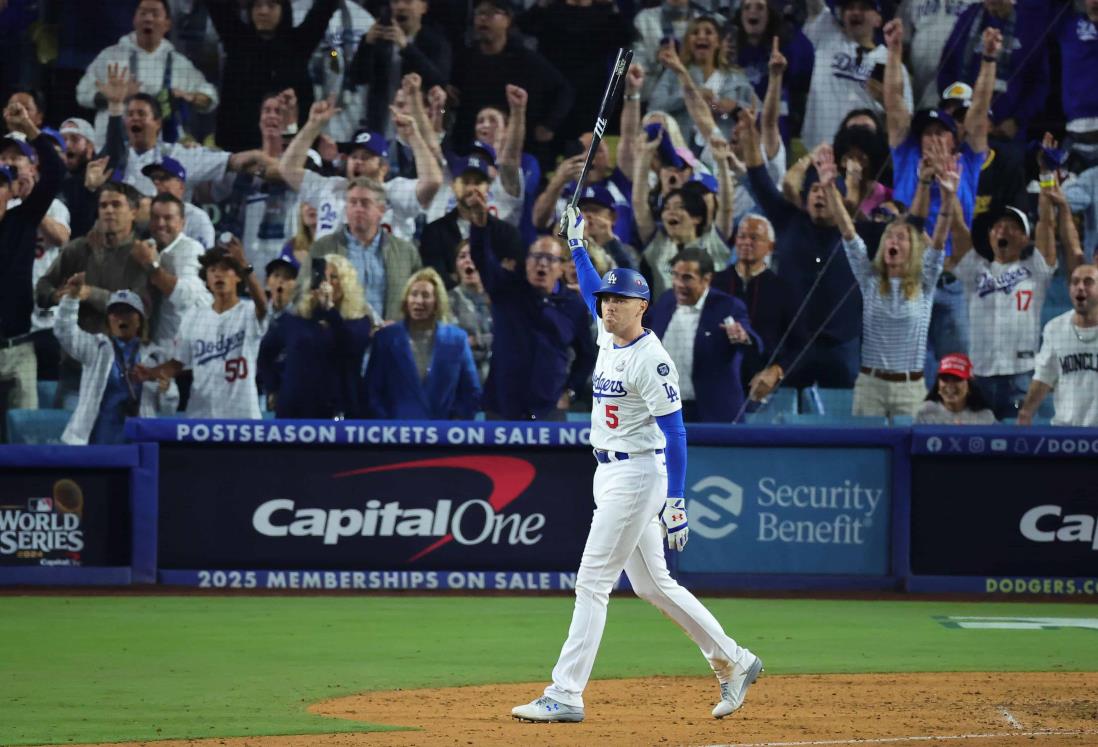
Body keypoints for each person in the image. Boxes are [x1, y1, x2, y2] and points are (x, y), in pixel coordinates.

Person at [510, 205, 762, 724]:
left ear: (642, 306)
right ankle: (733, 660)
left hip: (639, 474)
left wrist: (677, 501)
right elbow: (584, 287)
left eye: (619, 300)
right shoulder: (608, 332)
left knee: (592, 582)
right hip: (610, 472)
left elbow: (676, 433)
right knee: (652, 584)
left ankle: (565, 693)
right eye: (606, 300)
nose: (608, 307)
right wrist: (578, 244)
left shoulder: (653, 359)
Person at [822, 145, 951, 418]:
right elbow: (848, 232)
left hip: (911, 388)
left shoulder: (925, 281)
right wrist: (830, 188)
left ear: (913, 248)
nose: (894, 241)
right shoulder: (869, 278)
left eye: (901, 237)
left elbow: (938, 242)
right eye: (890, 236)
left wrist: (948, 197)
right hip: (870, 387)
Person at [470, 227, 595, 421]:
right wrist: (479, 225)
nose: (542, 264)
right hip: (502, 409)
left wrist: (570, 391)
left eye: (550, 259)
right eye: (537, 257)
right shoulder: (507, 290)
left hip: (549, 411)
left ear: (561, 267)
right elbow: (481, 257)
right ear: (527, 262)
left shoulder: (573, 305)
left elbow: (586, 355)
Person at [136, 241, 269, 419]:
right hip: (201, 416)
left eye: (225, 269)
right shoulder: (193, 316)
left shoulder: (248, 311)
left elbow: (263, 307)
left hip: (242, 415)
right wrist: (151, 373)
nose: (218, 274)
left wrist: (245, 266)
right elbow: (177, 363)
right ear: (206, 279)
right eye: (212, 270)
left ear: (238, 277)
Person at [948, 204, 1057, 420]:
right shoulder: (976, 269)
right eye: (997, 227)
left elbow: (1046, 224)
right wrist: (949, 195)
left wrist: (1046, 183)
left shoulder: (1035, 269)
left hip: (1020, 376)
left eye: (1011, 227)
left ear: (1026, 238)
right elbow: (958, 229)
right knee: (976, 447)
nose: (1003, 230)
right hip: (979, 376)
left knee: (1021, 448)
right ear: (989, 237)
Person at [280, 99, 442, 242]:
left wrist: (414, 136)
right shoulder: (332, 187)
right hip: (331, 274)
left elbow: (433, 181)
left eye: (366, 157)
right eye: (354, 156)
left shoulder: (394, 191)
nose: (357, 161)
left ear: (383, 168)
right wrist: (312, 125)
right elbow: (287, 169)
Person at [76, 0, 219, 147]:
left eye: (155, 14)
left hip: (162, 151)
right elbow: (82, 93)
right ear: (134, 20)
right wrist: (112, 98)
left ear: (167, 24)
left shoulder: (179, 63)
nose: (148, 18)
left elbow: (210, 96)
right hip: (112, 147)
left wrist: (192, 97)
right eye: (143, 13)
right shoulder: (111, 56)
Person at [449, 0, 574, 163]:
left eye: (491, 13)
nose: (483, 19)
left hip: (519, 148)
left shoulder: (526, 59)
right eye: (479, 13)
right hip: (471, 146)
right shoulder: (465, 58)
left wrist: (549, 125)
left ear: (508, 20)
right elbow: (453, 96)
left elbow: (565, 90)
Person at [206, 0, 339, 152]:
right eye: (257, 5)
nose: (263, 11)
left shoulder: (300, 44)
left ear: (283, 10)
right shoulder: (236, 40)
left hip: (290, 152)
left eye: (271, 6)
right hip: (238, 150)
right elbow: (217, 6)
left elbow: (323, 10)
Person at [0, 101, 64, 411]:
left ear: (11, 190)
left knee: (26, 441)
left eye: (1, 184)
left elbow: (55, 171)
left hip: (20, 347)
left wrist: (29, 128)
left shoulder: (22, 220)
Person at [647, 248, 760, 422]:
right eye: (675, 276)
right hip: (666, 409)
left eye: (687, 278)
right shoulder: (666, 300)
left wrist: (743, 336)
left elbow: (752, 341)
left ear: (706, 279)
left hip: (713, 413)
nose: (678, 284)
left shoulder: (727, 306)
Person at [55, 286, 178, 445]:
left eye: (127, 312)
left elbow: (169, 409)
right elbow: (64, 331)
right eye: (116, 312)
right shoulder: (95, 348)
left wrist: (166, 390)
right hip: (97, 440)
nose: (121, 318)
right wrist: (71, 298)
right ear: (108, 320)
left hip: (139, 442)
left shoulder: (156, 357)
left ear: (139, 320)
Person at [258, 254, 373, 418]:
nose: (327, 283)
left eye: (333, 277)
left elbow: (351, 348)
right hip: (294, 409)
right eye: (322, 276)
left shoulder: (359, 320)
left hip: (339, 409)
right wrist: (274, 386)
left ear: (346, 283)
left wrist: (331, 311)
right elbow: (265, 353)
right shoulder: (296, 317)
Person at [37, 182, 151, 336]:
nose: (108, 211)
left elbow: (139, 308)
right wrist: (57, 295)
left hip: (121, 350)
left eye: (116, 205)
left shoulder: (143, 253)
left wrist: (90, 294)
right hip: (74, 348)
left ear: (133, 212)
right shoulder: (79, 248)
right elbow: (42, 287)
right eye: (103, 206)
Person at [364, 267, 480, 419]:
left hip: (443, 435)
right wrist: (388, 427)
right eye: (414, 294)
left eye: (426, 295)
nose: (419, 301)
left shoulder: (457, 340)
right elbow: (372, 392)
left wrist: (455, 425)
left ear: (437, 302)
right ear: (406, 299)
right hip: (396, 435)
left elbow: (471, 392)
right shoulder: (386, 338)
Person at [711, 215, 804, 402]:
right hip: (716, 384)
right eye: (742, 236)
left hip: (764, 389)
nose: (746, 242)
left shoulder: (784, 289)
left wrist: (777, 371)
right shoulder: (714, 283)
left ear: (770, 247)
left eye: (754, 238)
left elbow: (800, 343)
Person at [305, 177, 422, 321]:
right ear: (346, 208)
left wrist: (402, 325)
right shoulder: (323, 248)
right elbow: (305, 297)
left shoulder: (406, 252)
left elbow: (418, 298)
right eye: (353, 202)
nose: (358, 208)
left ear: (381, 210)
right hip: (339, 337)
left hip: (391, 337)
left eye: (365, 203)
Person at [801, 0, 913, 149]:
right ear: (841, 14)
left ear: (878, 20)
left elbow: (903, 125)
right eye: (850, 7)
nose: (855, 12)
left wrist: (887, 102)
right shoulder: (826, 34)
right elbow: (814, 6)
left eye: (864, 7)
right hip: (818, 154)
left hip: (864, 160)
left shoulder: (892, 64)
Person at [117, 93, 271, 199]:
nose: (135, 118)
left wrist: (258, 157)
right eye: (130, 114)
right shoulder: (115, 156)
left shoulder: (181, 154)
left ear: (158, 122)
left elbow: (232, 161)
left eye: (141, 114)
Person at [937, 0, 1050, 141]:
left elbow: (1040, 83)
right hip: (964, 128)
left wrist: (1017, 120)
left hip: (1007, 133)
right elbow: (946, 67)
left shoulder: (1031, 22)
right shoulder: (968, 16)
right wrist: (953, 107)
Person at [649, 16, 756, 146]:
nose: (701, 36)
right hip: (681, 150)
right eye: (695, 33)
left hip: (723, 150)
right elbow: (654, 108)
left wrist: (733, 108)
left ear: (718, 42)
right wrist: (690, 96)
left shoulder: (735, 77)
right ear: (688, 42)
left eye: (708, 32)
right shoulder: (673, 73)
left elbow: (755, 111)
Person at [420, 154, 524, 287]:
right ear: (453, 185)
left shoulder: (507, 233)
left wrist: (456, 275)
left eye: (477, 182)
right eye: (465, 181)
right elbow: (435, 279)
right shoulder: (433, 232)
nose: (471, 188)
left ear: (488, 188)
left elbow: (512, 279)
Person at [350, 0, 452, 134]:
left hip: (419, 126)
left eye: (408, 2)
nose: (400, 7)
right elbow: (357, 78)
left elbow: (439, 81)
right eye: (395, 2)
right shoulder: (379, 39)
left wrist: (406, 47)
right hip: (380, 124)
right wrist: (367, 45)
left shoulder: (435, 42)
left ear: (424, 7)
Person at [1018, 264, 1098, 427]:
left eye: (1088, 282)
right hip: (1066, 431)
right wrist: (1026, 412)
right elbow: (1043, 376)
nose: (1080, 287)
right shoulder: (1055, 328)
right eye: (1075, 282)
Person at [732, 0, 814, 143]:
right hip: (737, 141)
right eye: (747, 7)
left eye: (760, 7)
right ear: (740, 16)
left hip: (776, 139)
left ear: (769, 15)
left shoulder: (784, 51)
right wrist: (729, 110)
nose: (753, 11)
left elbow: (805, 72)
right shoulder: (729, 56)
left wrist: (789, 27)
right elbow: (712, 103)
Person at [138, 192, 210, 347]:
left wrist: (152, 266)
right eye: (155, 217)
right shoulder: (147, 247)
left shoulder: (191, 249)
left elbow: (183, 297)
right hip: (155, 347)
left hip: (188, 347)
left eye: (168, 218)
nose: (160, 223)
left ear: (182, 223)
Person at [140, 156, 215, 249]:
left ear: (181, 186)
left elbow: (205, 259)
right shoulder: (143, 214)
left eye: (164, 178)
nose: (156, 182)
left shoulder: (197, 218)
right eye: (153, 178)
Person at [448, 240, 493, 384]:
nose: (468, 260)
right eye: (462, 256)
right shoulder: (446, 301)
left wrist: (476, 341)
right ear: (456, 265)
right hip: (463, 382)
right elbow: (453, 346)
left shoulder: (501, 300)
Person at [915, 352, 996, 425]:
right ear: (938, 385)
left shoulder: (985, 417)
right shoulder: (925, 414)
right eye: (945, 379)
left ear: (969, 385)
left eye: (957, 379)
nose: (950, 385)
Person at [264, 243, 301, 320]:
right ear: (267, 281)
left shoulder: (300, 316)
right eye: (276, 275)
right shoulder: (256, 310)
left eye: (287, 277)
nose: (280, 281)